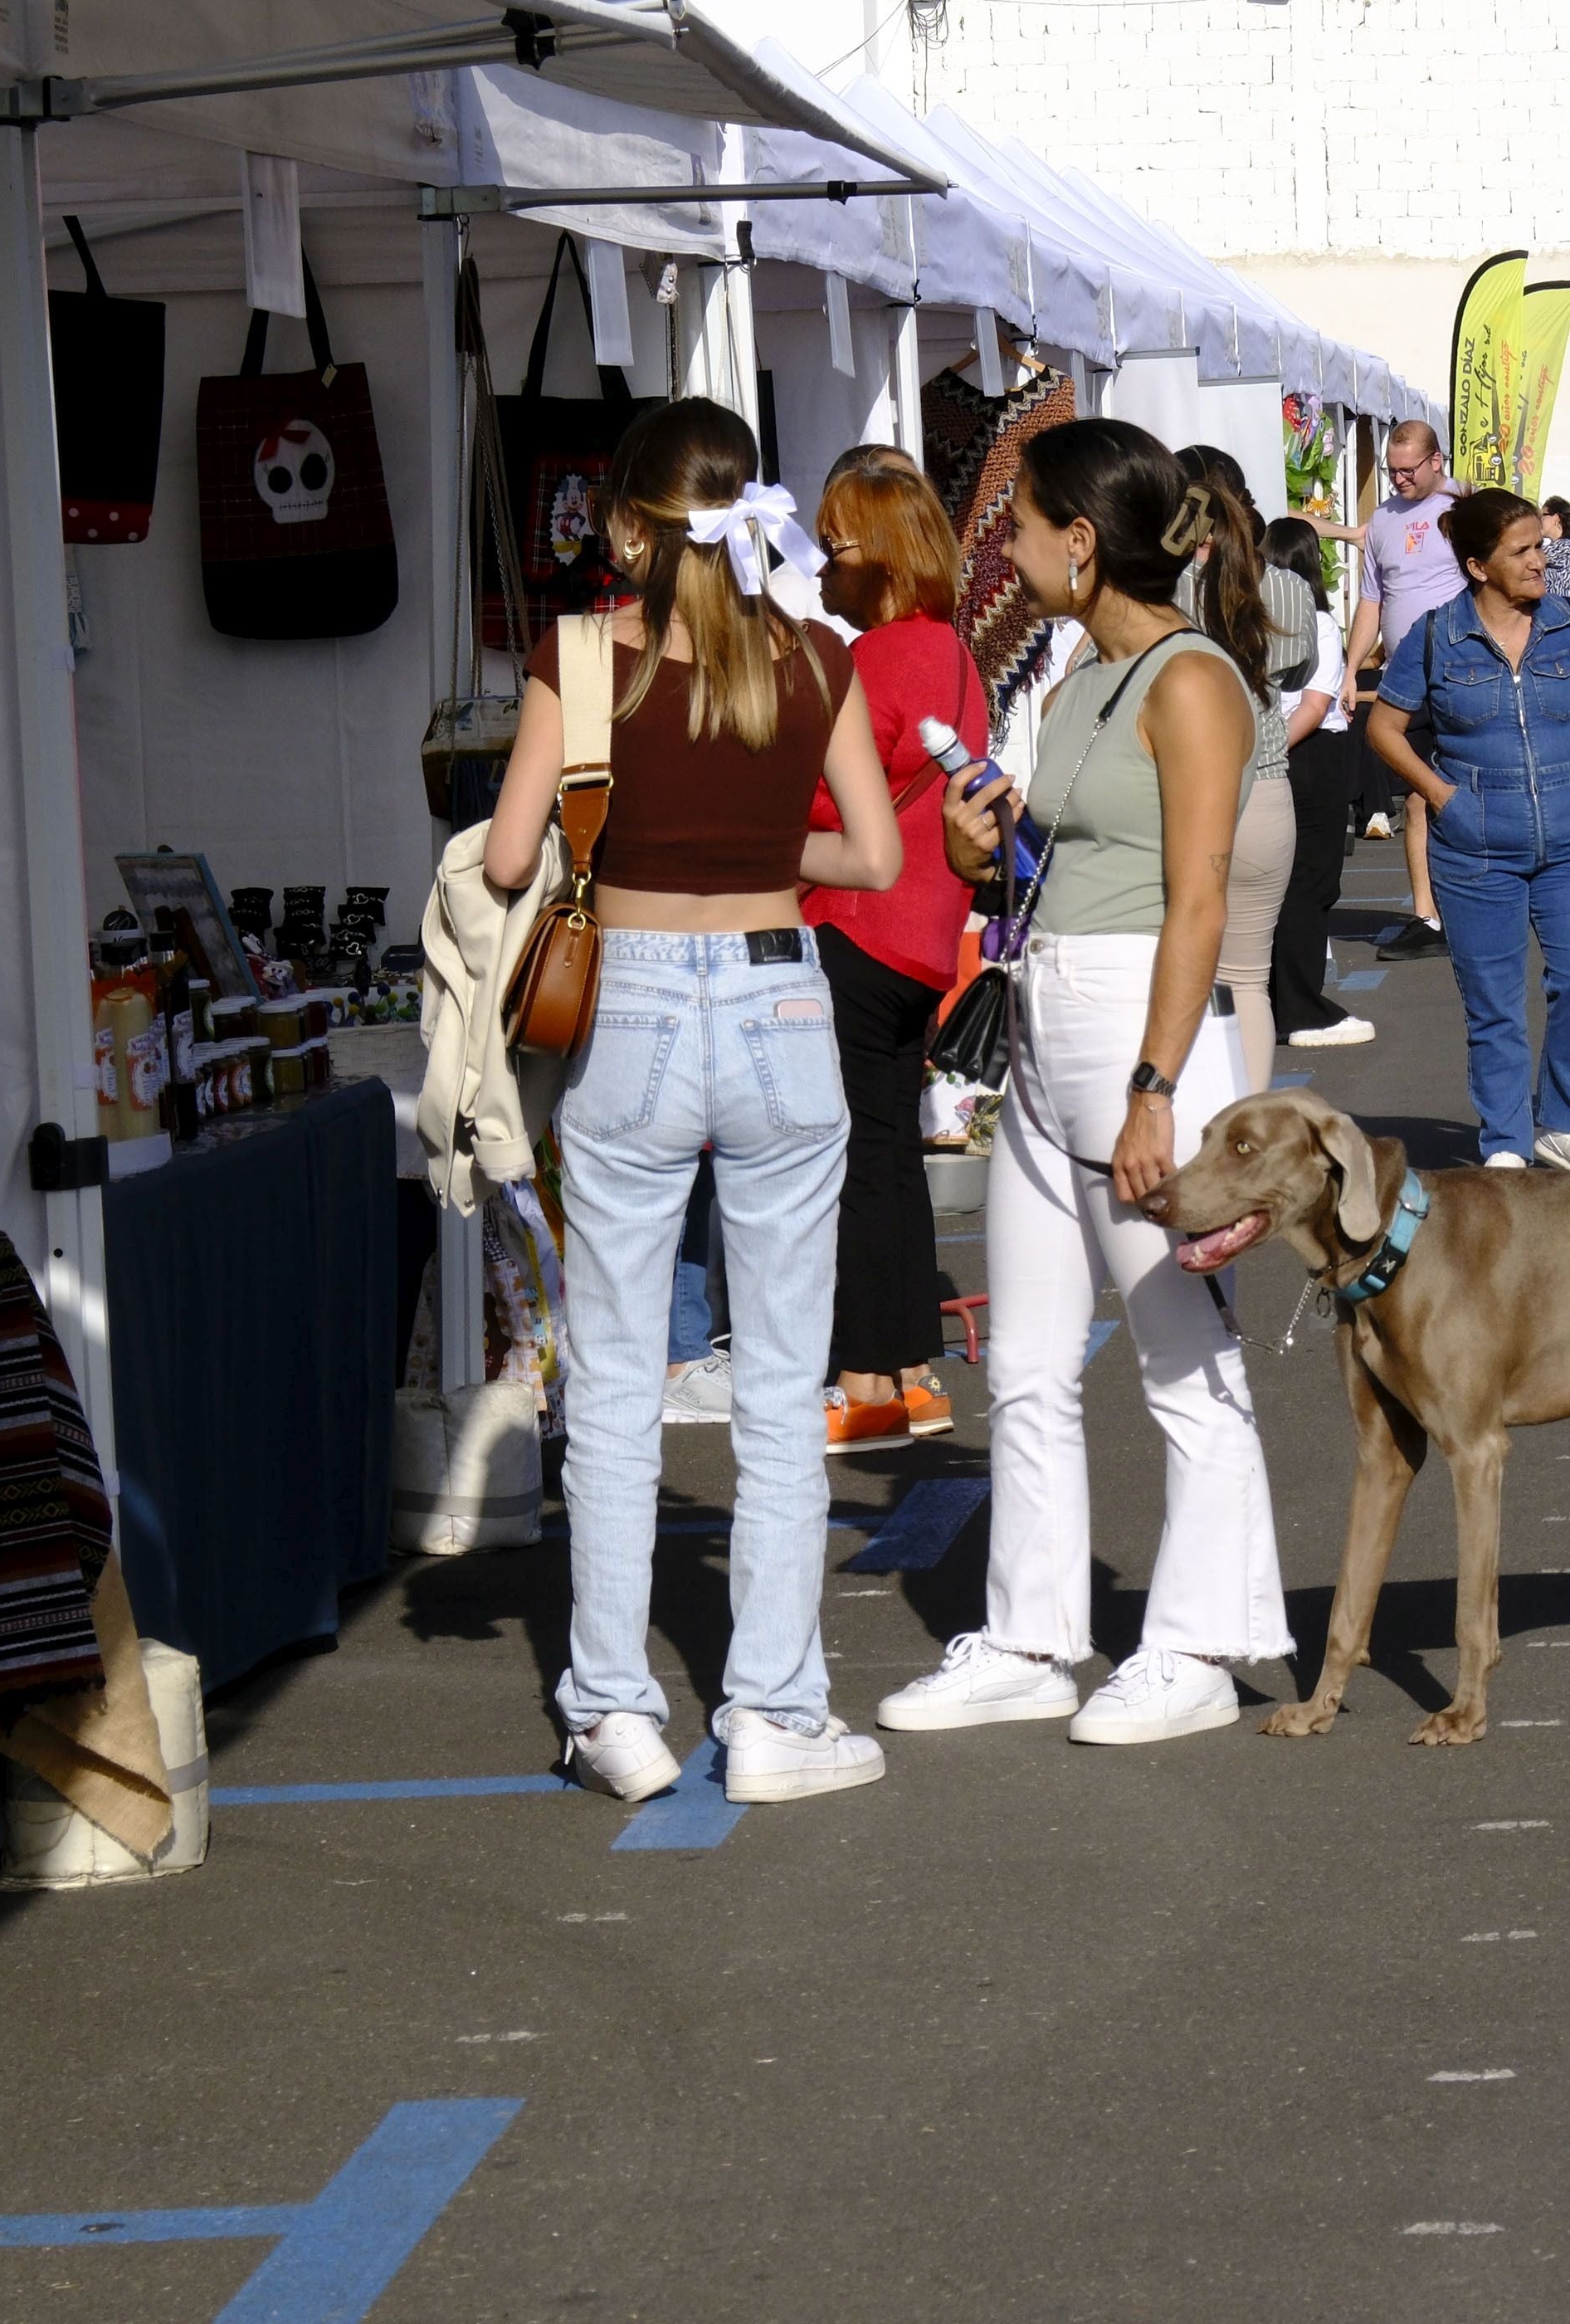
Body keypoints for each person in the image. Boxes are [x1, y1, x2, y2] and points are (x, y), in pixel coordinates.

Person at [488, 397, 903, 1809]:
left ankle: (613, 1709)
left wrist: (639, 830)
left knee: (614, 1381)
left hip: (637, 1006)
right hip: (785, 993)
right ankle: (780, 1706)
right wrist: (748, 834)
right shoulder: (812, 656)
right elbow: (879, 848)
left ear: (622, 525)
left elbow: (502, 858)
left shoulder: (581, 658)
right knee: (782, 1385)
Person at [885, 418, 1292, 1744]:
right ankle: (1030, 1632)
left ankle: (1197, 1644)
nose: (1002, 551)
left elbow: (1194, 904)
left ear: (1081, 539)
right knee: (1031, 1362)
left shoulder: (1192, 681)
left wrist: (1158, 1089)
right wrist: (980, 847)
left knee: (1182, 1358)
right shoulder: (1075, 679)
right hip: (1052, 1012)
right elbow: (1052, 870)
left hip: (1138, 1026)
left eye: (1019, 527)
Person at [805, 451, 987, 1452]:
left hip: (855, 926)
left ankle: (870, 1382)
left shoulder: (864, 663)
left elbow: (826, 799)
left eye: (834, 548)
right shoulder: (952, 656)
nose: (823, 571)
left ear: (875, 556)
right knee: (891, 1156)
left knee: (859, 1159)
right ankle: (910, 1374)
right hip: (924, 939)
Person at [1367, 486, 1570, 1168]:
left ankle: (1569, 1122)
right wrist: (1443, 797)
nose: (1540, 560)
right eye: (1522, 550)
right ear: (1480, 566)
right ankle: (1507, 1141)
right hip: (1476, 846)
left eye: (1540, 545)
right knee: (1494, 1004)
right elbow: (1385, 729)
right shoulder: (1435, 635)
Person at [1176, 442, 1313, 1088]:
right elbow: (1300, 669)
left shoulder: (1159, 591)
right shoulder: (1284, 587)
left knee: (1177, 977)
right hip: (1263, 786)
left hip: (1180, 795)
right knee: (1248, 982)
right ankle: (1249, 1133)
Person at [1348, 422, 1465, 963]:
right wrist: (1351, 670)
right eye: (1393, 469)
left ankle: (1474, 904)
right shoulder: (1384, 520)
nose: (1397, 479)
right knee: (1417, 796)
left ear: (1436, 461)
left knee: (1460, 791)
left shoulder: (1463, 507)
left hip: (1462, 671)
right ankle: (1427, 915)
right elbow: (1372, 602)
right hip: (1404, 676)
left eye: (1408, 470)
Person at [1266, 515, 1375, 1052]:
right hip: (1310, 755)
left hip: (1274, 754)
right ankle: (1301, 1008)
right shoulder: (1318, 621)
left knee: (1277, 885)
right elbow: (1314, 706)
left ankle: (1276, 1000)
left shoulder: (1251, 619)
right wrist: (1272, 750)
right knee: (1311, 885)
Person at [1540, 496, 1570, 605]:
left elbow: (1531, 557)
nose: (1539, 520)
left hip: (1561, 611)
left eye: (1543, 515)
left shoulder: (1566, 547)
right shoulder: (1560, 545)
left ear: (1556, 518)